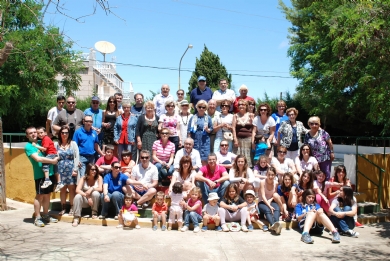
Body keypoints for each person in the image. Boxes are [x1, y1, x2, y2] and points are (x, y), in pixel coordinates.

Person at [25, 127, 59, 227]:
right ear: (27, 136)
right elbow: (38, 159)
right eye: (30, 133)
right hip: (39, 175)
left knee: (47, 195)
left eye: (35, 132)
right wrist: (53, 161)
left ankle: (45, 215)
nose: (34, 134)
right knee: (39, 196)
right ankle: (38, 217)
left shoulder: (42, 141)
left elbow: (51, 150)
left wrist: (56, 157)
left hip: (50, 173)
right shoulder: (29, 146)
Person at [55, 125, 80, 216]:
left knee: (71, 189)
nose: (64, 134)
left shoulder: (73, 144)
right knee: (62, 189)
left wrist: (75, 169)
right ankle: (63, 207)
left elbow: (77, 156)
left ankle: (72, 208)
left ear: (69, 134)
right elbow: (53, 156)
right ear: (60, 134)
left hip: (71, 169)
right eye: (62, 133)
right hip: (60, 169)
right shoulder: (56, 144)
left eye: (66, 133)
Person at [188, 100, 214, 165]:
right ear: (197, 107)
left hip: (204, 140)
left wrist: (208, 130)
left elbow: (211, 128)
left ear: (206, 108)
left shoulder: (208, 118)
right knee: (193, 157)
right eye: (199, 107)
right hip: (195, 139)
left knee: (204, 158)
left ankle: (204, 173)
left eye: (203, 107)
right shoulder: (192, 117)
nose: (201, 108)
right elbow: (189, 130)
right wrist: (189, 140)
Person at [258, 167, 282, 234]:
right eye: (269, 174)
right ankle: (273, 225)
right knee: (268, 210)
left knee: (277, 208)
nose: (270, 176)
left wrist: (270, 201)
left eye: (272, 175)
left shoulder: (276, 183)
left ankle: (276, 224)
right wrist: (269, 205)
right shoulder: (262, 182)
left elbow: (274, 194)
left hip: (271, 201)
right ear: (266, 174)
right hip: (262, 201)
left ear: (274, 175)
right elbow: (263, 196)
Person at [232, 99, 255, 167]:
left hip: (248, 139)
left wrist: (253, 141)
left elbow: (254, 128)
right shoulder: (235, 116)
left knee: (249, 157)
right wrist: (235, 139)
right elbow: (233, 128)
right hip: (238, 139)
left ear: (246, 106)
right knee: (238, 157)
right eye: (239, 105)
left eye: (243, 104)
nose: (241, 106)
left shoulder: (251, 115)